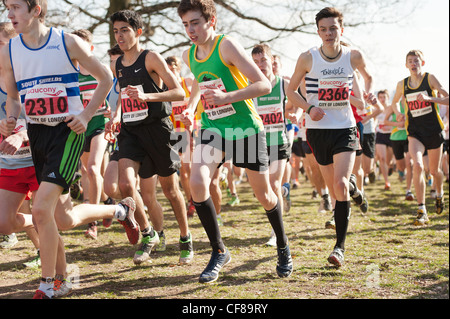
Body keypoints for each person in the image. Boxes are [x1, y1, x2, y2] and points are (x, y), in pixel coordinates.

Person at [0, 0, 138, 299]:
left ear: (36, 9)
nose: (9, 14)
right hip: (37, 134)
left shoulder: (66, 41)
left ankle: (50, 283)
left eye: (15, 7)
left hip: (68, 133)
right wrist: (12, 119)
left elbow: (105, 78)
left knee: (39, 210)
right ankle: (119, 210)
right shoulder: (9, 50)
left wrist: (86, 115)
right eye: (6, 7)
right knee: (63, 218)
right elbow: (13, 97)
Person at [178, 0, 293, 283]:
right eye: (185, 25)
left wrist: (226, 97)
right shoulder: (188, 54)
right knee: (196, 183)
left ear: (211, 21)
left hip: (245, 130)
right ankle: (218, 251)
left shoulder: (226, 46)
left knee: (265, 195)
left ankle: (282, 246)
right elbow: (198, 81)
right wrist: (192, 106)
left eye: (195, 23)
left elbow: (263, 84)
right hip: (213, 127)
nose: (190, 30)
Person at [286, 7, 373, 267]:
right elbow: (291, 91)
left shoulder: (353, 55)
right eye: (323, 29)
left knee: (340, 184)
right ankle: (355, 192)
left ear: (341, 30)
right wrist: (309, 108)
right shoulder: (307, 58)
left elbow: (368, 77)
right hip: (317, 130)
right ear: (318, 31)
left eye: (333, 28)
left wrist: (366, 94)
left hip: (345, 128)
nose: (328, 33)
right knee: (334, 190)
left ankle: (339, 248)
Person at [108, 10, 194, 265]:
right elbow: (126, 96)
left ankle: (185, 237)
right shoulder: (117, 64)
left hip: (159, 130)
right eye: (115, 31)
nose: (120, 36)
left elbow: (178, 92)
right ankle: (148, 234)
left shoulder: (151, 58)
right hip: (131, 131)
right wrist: (116, 115)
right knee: (125, 184)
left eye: (124, 30)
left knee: (170, 190)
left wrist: (147, 96)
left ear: (138, 32)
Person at [390, 49, 448, 225]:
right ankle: (422, 209)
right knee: (416, 165)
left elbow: (447, 98)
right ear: (406, 65)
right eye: (410, 61)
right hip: (414, 132)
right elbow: (394, 103)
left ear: (422, 63)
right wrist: (399, 113)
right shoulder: (403, 84)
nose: (413, 64)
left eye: (416, 61)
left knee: (434, 170)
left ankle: (439, 194)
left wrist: (431, 99)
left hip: (434, 130)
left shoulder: (430, 78)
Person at [0, 21, 40, 265]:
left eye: (0, 44)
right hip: (10, 158)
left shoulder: (30, 73)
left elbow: (42, 114)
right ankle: (43, 241)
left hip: (38, 153)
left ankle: (116, 210)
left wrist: (21, 133)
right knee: (6, 221)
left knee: (60, 217)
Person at [251, 43, 293, 244]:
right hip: (257, 143)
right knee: (263, 190)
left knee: (274, 183)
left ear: (272, 61)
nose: (260, 65)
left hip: (279, 141)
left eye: (264, 60)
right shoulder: (250, 85)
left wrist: (297, 113)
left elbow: (297, 103)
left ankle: (277, 233)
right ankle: (282, 196)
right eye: (256, 62)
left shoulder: (283, 84)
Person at [72, 29, 112, 240]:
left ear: (91, 49)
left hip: (99, 125)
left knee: (94, 168)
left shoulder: (102, 70)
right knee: (87, 170)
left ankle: (92, 222)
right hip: (81, 128)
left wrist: (113, 111)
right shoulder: (70, 75)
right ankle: (107, 203)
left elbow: (117, 94)